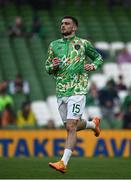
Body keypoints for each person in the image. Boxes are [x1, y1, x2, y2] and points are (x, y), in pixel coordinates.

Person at [45, 16, 103, 173]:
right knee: (71, 127)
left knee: (71, 126)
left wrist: (93, 65)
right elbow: (48, 67)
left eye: (67, 24)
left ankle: (63, 162)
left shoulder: (83, 44)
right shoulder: (54, 45)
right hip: (61, 90)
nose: (63, 26)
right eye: (62, 24)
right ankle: (92, 124)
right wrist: (53, 65)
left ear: (74, 27)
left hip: (78, 89)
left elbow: (98, 57)